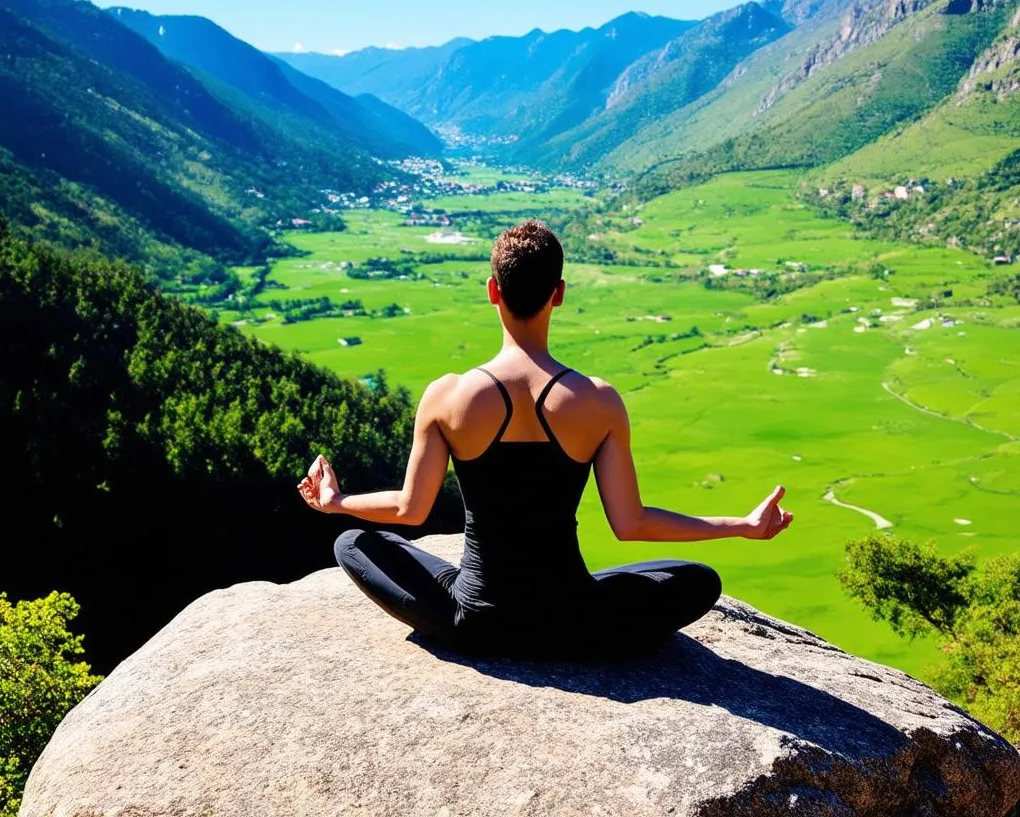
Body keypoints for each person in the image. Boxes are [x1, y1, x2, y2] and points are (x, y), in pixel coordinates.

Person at [298, 220, 793, 659]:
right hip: (574, 623)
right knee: (698, 580)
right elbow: (631, 522)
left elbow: (411, 510)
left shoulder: (447, 396)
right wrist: (741, 525)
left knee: (353, 542)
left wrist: (338, 501)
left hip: (475, 621)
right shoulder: (598, 402)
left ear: (493, 290)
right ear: (558, 293)